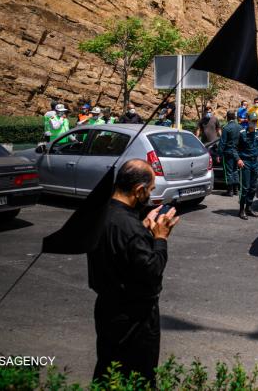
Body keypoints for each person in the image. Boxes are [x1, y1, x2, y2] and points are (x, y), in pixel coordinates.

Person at [88, 159, 180, 384]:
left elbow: (124, 253)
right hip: (135, 317)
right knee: (139, 375)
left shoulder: (100, 212)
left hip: (107, 309)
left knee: (109, 369)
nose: (149, 195)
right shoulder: (131, 229)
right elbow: (152, 269)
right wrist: (160, 238)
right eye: (149, 190)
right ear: (138, 191)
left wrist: (143, 226)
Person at [218, 110, 241, 197]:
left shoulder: (226, 127)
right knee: (235, 171)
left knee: (229, 171)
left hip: (228, 152)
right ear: (234, 117)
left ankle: (230, 191)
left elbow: (222, 142)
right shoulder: (240, 127)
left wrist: (219, 154)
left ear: (227, 117)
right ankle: (236, 190)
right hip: (237, 153)